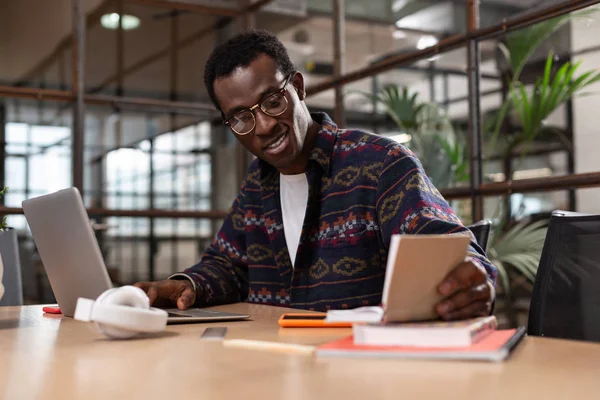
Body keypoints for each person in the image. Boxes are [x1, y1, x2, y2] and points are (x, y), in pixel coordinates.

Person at [135, 29, 496, 321]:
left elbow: (442, 246)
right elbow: (230, 266)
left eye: (273, 101)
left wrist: (474, 275)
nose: (263, 127)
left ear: (299, 87)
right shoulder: (257, 187)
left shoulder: (380, 163)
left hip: (365, 370)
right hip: (276, 366)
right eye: (242, 118)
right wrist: (187, 285)